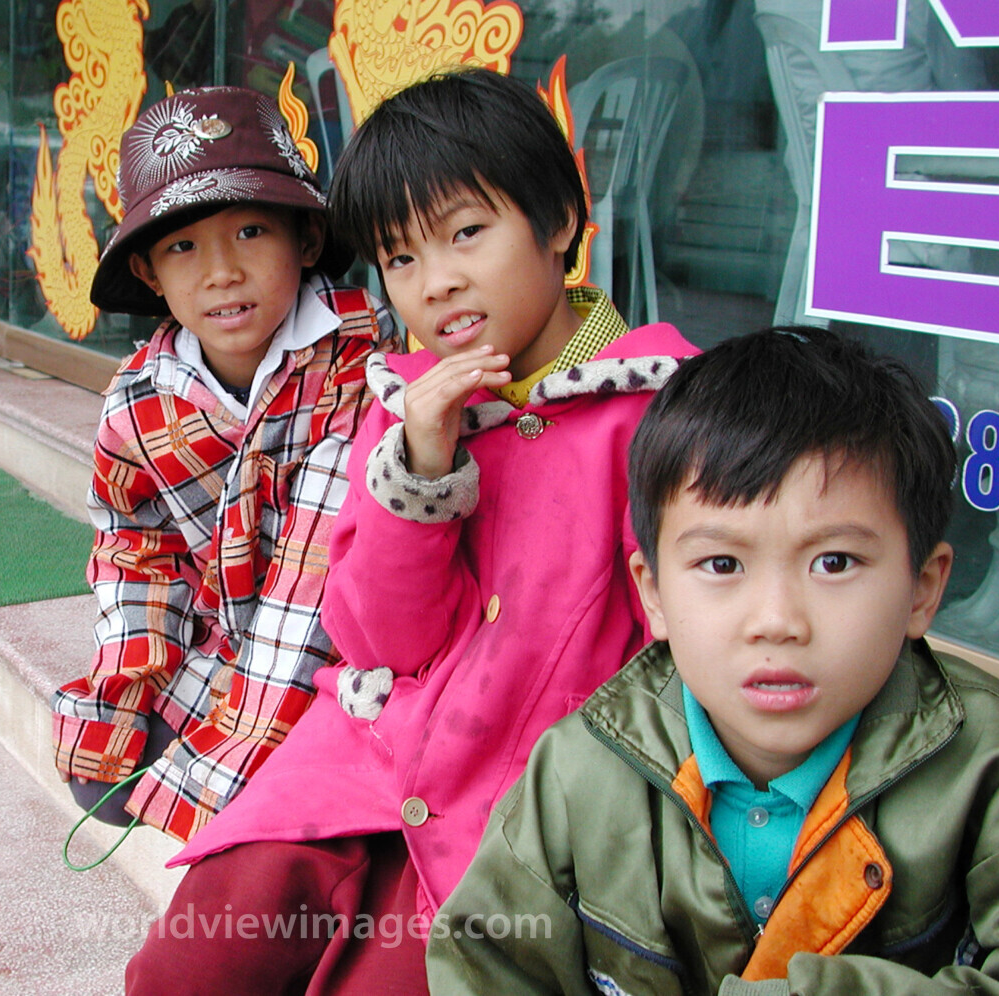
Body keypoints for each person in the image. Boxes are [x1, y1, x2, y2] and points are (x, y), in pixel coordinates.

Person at [125, 67, 698, 994]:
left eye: (467, 233)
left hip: (517, 823)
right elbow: (375, 639)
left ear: (559, 220)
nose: (437, 284)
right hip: (360, 771)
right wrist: (422, 475)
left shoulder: (666, 418)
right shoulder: (409, 409)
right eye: (399, 258)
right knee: (188, 967)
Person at [428, 326, 999, 995]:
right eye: (722, 563)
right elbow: (487, 966)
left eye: (835, 562)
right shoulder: (580, 771)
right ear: (655, 595)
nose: (777, 621)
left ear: (923, 590)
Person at [50, 86, 399, 841]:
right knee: (101, 771)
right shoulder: (140, 398)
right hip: (233, 640)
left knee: (289, 783)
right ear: (147, 272)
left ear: (305, 243)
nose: (220, 272)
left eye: (249, 232)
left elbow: (315, 583)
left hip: (346, 646)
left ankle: (272, 762)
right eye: (182, 247)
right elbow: (134, 551)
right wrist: (127, 691)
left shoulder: (362, 365)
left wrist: (223, 763)